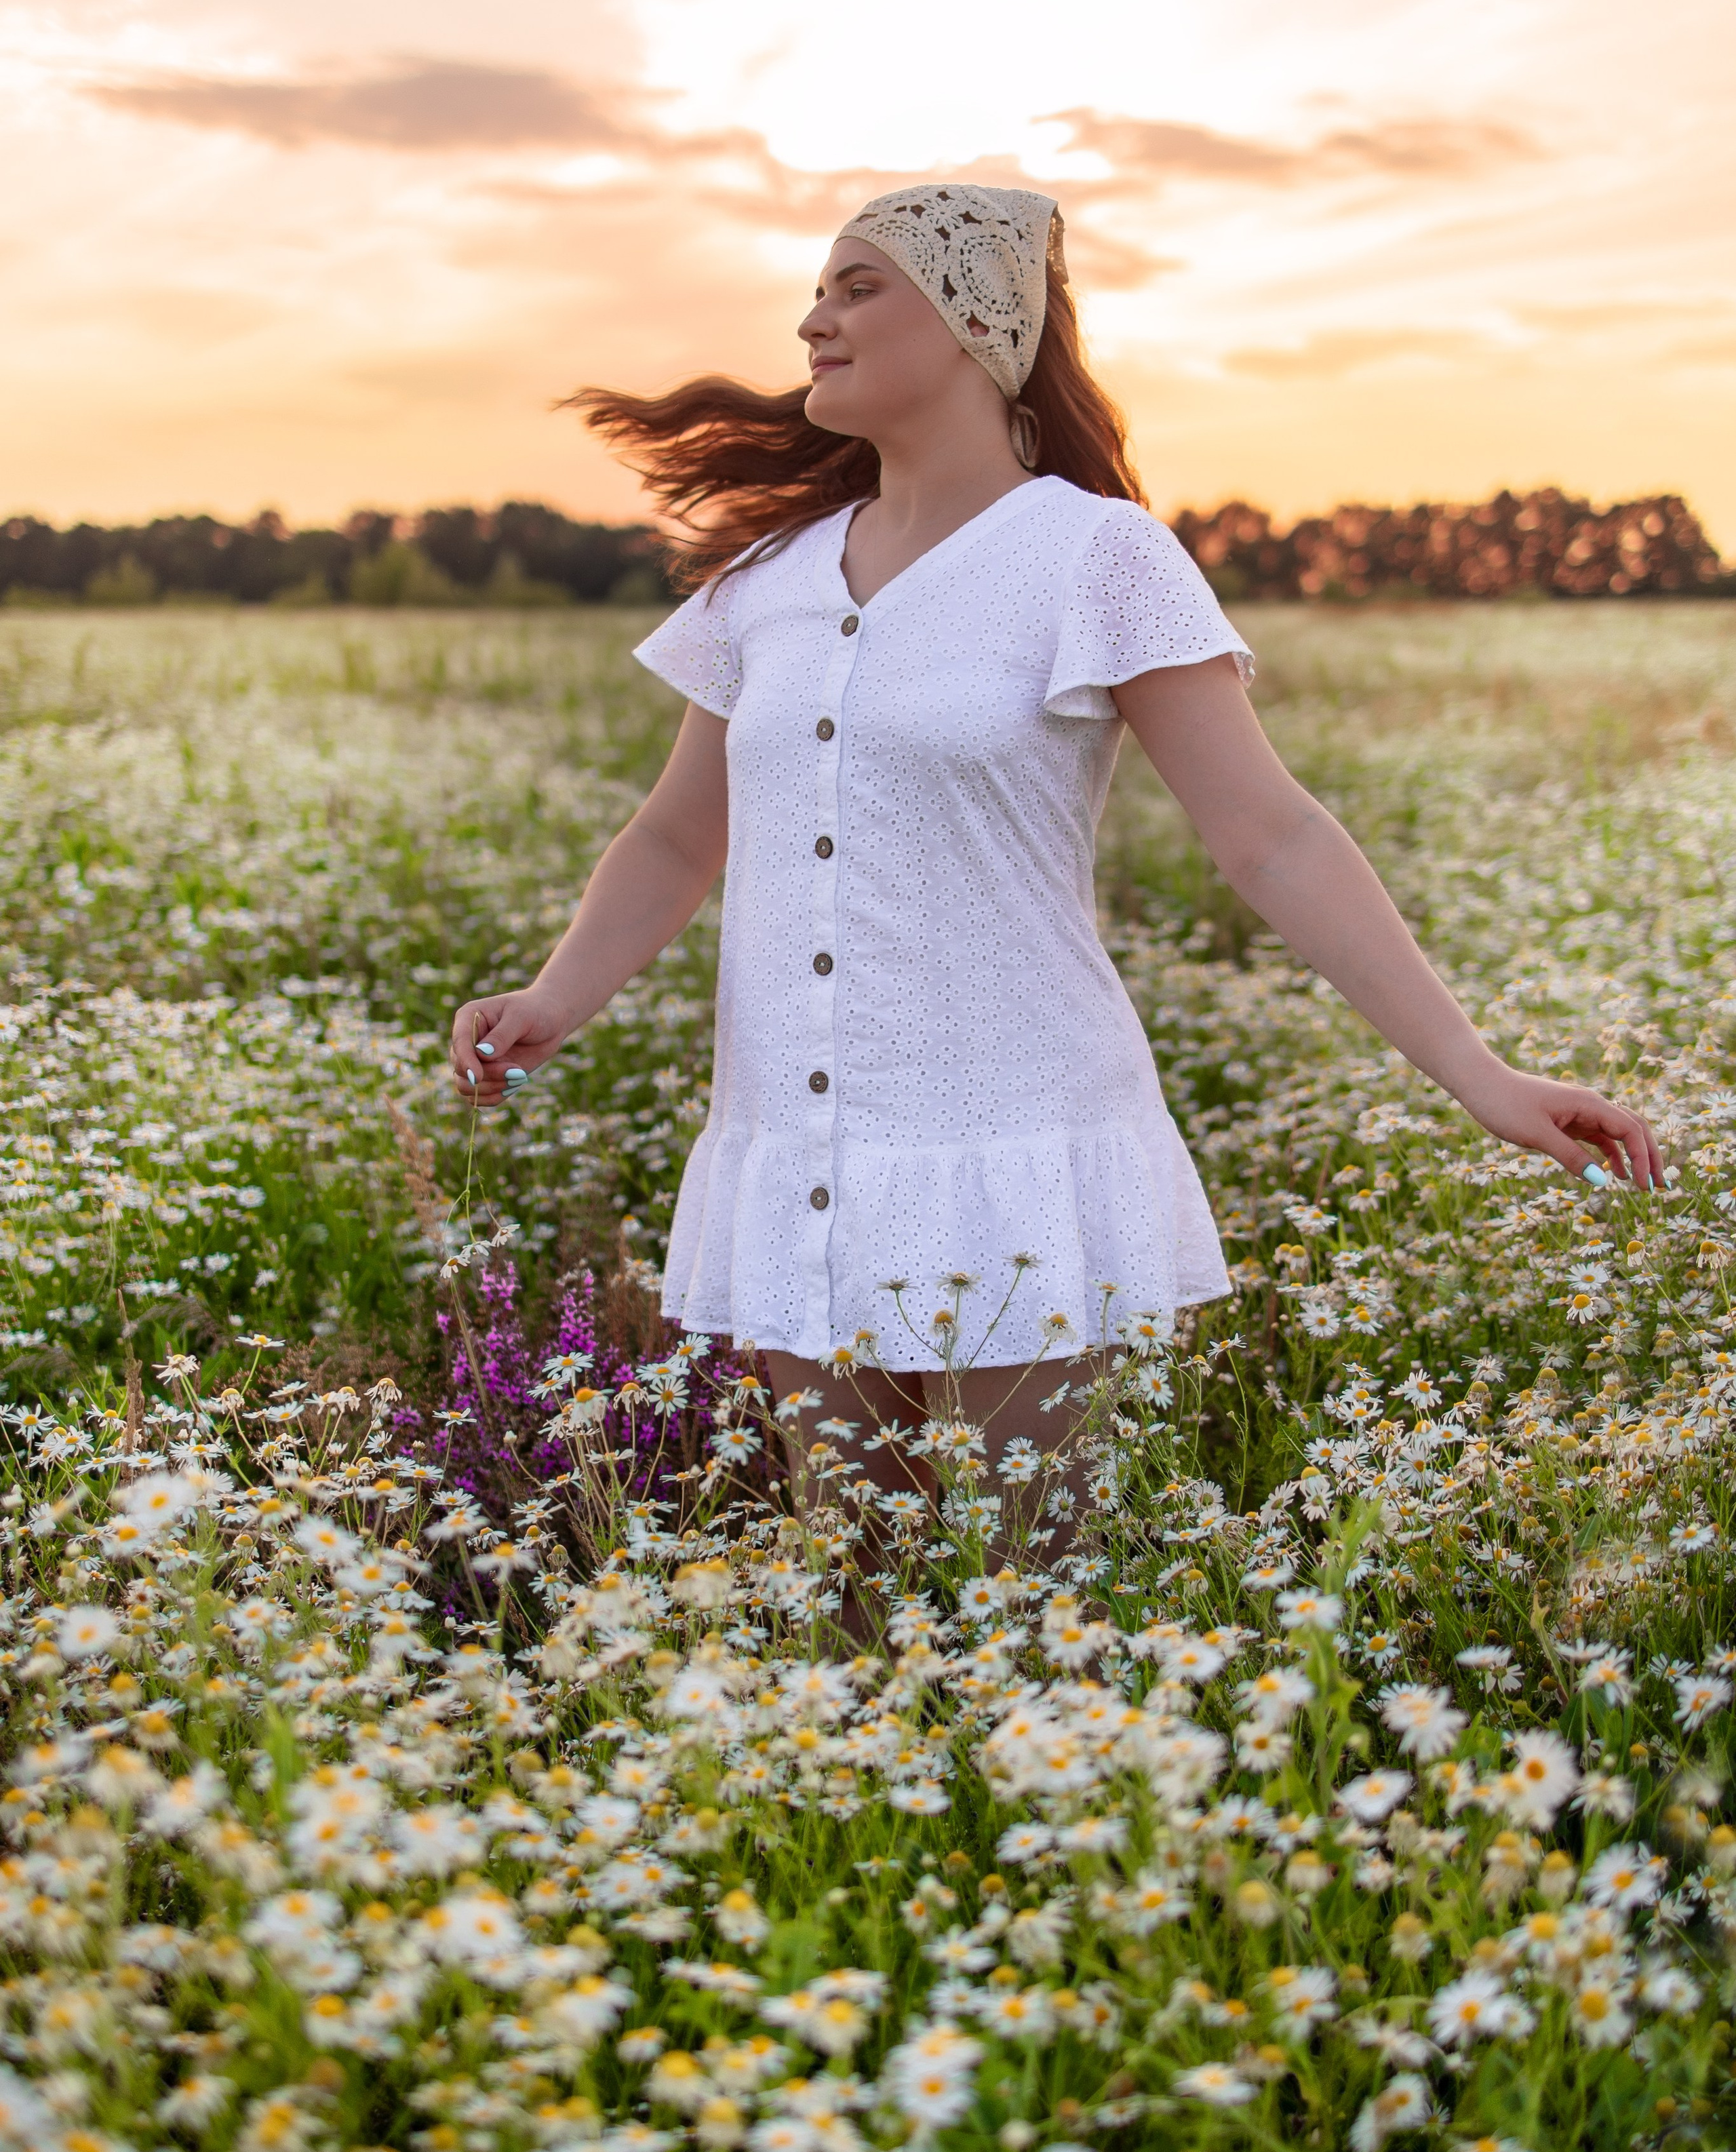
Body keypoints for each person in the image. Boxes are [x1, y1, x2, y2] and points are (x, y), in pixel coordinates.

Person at [447, 181, 1659, 1512]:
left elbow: (1270, 838)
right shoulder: (765, 582)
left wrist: (1475, 1072)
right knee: (847, 1599)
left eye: (858, 288)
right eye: (816, 290)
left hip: (1020, 1145)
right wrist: (558, 993)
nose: (811, 322)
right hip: (801, 1155)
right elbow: (679, 835)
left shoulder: (1096, 557)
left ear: (979, 321)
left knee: (1033, 1595)